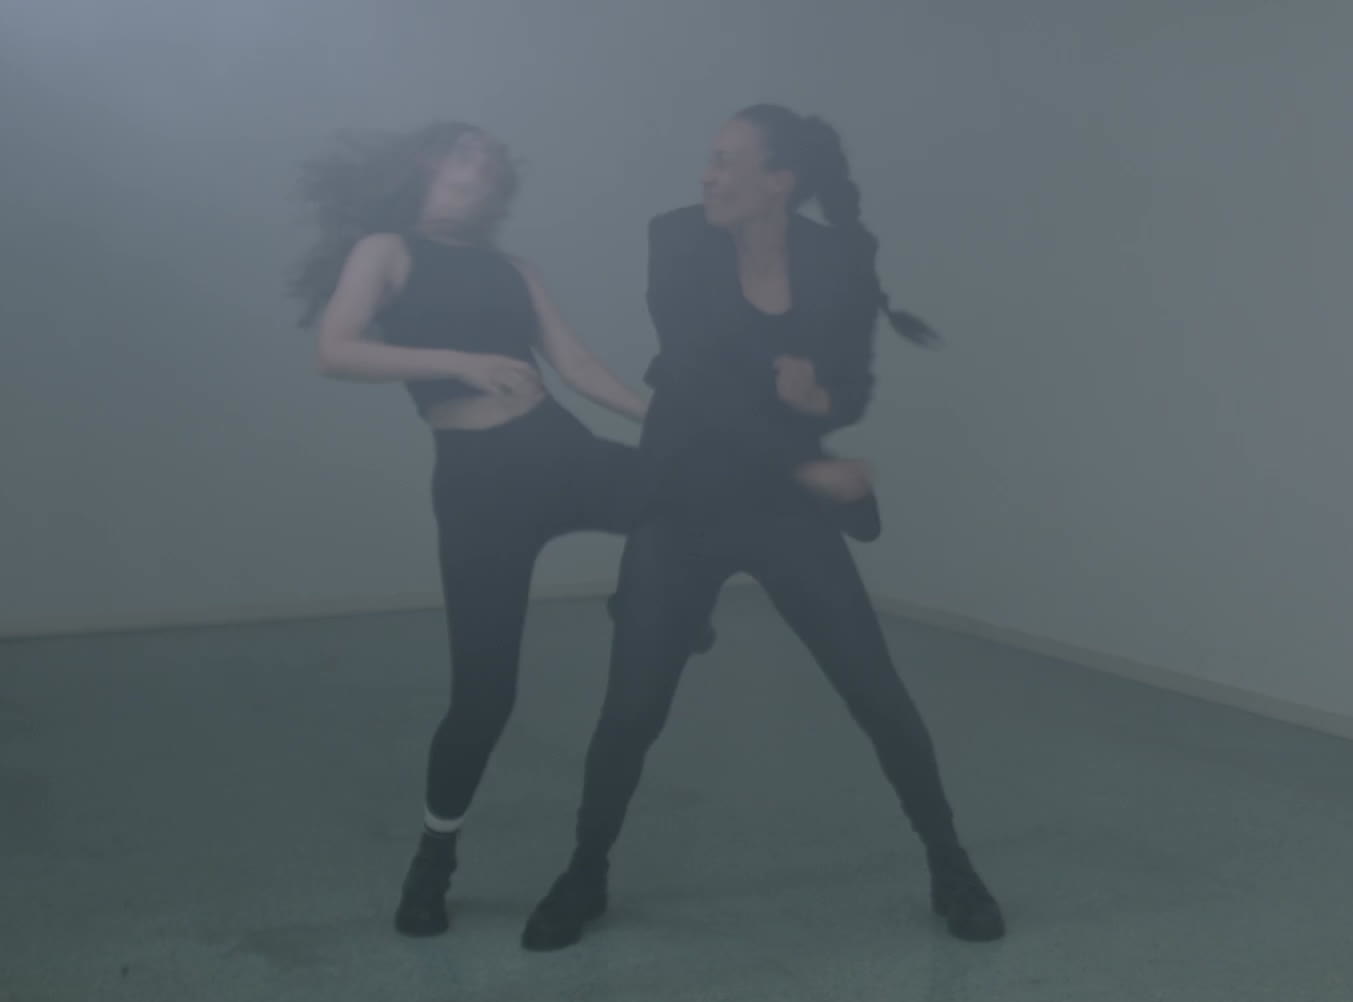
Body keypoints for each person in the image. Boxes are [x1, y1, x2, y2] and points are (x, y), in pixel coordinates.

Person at [289, 122, 859, 938]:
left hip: (557, 451)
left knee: (694, 489)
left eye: (492, 165)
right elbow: (336, 351)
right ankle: (434, 859)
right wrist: (460, 363)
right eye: (466, 157)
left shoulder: (513, 269)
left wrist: (671, 420)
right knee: (484, 696)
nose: (482, 172)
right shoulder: (386, 251)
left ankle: (668, 607)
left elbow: (580, 368)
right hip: (479, 490)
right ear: (424, 168)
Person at [519, 105, 1004, 952]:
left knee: (877, 695)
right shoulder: (676, 240)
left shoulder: (838, 258)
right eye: (707, 159)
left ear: (778, 181)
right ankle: (585, 871)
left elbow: (850, 385)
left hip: (781, 516)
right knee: (632, 711)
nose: (705, 175)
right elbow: (695, 384)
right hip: (686, 502)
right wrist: (802, 462)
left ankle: (950, 865)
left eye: (724, 161)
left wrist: (821, 400)